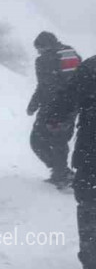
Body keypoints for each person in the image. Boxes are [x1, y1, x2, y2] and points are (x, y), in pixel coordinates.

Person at [49, 55, 96, 268]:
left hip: (91, 150)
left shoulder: (91, 66)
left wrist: (54, 117)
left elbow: (67, 97)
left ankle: (91, 257)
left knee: (89, 204)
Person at [26, 31, 81, 187]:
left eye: (39, 49)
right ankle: (61, 172)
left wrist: (33, 105)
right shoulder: (70, 53)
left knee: (37, 140)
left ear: (44, 46)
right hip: (70, 106)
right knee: (59, 140)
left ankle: (61, 173)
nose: (38, 52)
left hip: (53, 107)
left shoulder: (44, 60)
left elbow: (44, 86)